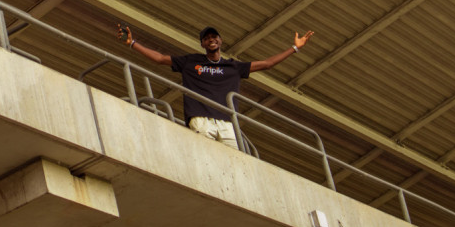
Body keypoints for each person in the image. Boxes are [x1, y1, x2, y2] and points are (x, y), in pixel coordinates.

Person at [117, 23, 313, 149]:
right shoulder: (191, 61)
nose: (211, 40)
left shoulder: (233, 66)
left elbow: (267, 64)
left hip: (228, 123)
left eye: (214, 37)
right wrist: (132, 42)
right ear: (203, 44)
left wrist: (295, 48)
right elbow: (160, 59)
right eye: (207, 38)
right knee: (205, 157)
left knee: (235, 162)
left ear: (220, 41)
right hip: (201, 119)